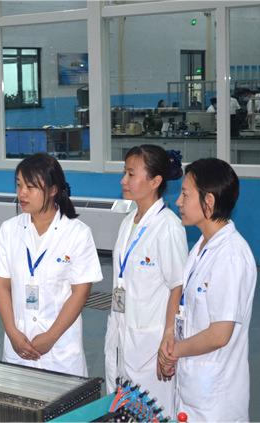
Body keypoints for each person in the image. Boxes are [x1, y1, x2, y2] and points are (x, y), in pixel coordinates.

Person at [158, 158, 256, 421]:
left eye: (185, 194)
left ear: (208, 201)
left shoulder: (230, 256)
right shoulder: (202, 246)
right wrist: (171, 337)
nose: (178, 201)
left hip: (216, 398)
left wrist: (173, 352)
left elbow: (219, 334)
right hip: (193, 386)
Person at [0, 153, 103, 376]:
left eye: (31, 187)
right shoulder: (9, 229)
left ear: (52, 190)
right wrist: (12, 333)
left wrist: (51, 337)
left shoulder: (77, 233)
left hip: (59, 347)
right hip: (18, 342)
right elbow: (2, 285)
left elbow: (80, 293)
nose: (22, 193)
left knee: (62, 398)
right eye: (19, 185)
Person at [104, 145, 188, 416]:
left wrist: (169, 336)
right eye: (124, 173)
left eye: (131, 174)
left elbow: (178, 286)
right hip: (122, 334)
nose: (123, 180)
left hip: (150, 345)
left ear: (155, 181)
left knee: (152, 413)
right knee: (122, 412)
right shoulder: (129, 221)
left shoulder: (168, 227)